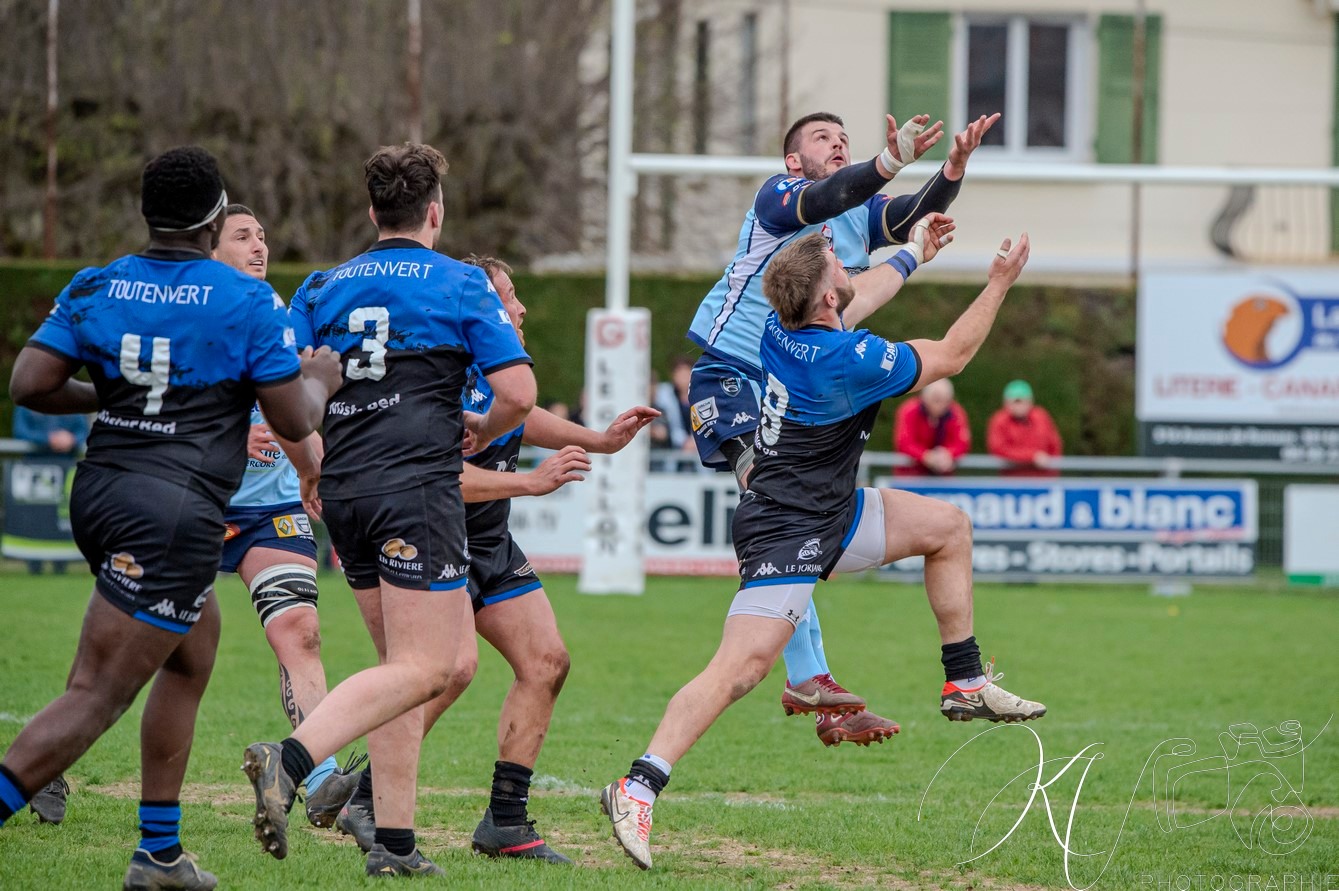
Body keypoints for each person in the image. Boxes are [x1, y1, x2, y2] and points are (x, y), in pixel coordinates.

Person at [601, 231, 1046, 870]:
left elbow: (860, 298)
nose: (847, 266)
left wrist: (914, 252)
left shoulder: (784, 329)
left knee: (948, 527)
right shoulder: (844, 357)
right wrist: (999, 280)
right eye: (839, 263)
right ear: (824, 293)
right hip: (786, 526)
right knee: (738, 672)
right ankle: (637, 786)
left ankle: (965, 681)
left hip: (832, 510)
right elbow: (952, 354)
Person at [1, 145, 340, 890]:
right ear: (216, 214)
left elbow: (30, 382)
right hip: (174, 510)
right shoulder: (243, 300)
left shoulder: (100, 282)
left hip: (101, 493)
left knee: (193, 648)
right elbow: (292, 416)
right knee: (98, 690)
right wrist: (318, 376)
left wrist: (111, 398)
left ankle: (159, 854)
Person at [243, 143, 536, 878]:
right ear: (434, 211)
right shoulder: (461, 283)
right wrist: (484, 426)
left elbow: (284, 400)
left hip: (345, 488)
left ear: (374, 212)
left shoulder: (320, 286)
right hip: (415, 488)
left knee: (403, 669)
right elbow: (522, 394)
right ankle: (291, 758)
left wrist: (311, 471)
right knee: (430, 664)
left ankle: (394, 845)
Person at [333, 254, 659, 864]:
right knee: (450, 668)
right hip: (436, 533)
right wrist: (532, 485)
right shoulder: (437, 371)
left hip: (488, 540)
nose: (521, 307)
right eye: (510, 295)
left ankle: (505, 821)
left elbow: (519, 417)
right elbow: (440, 478)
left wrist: (600, 440)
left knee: (547, 661)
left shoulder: (491, 369)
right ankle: (368, 796)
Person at [685, 108, 996, 745]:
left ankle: (818, 691)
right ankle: (815, 682)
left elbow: (907, 214)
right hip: (730, 376)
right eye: (823, 139)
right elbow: (837, 191)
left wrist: (953, 170)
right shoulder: (779, 198)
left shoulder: (852, 220)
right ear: (793, 161)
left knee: (789, 514)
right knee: (773, 504)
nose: (838, 145)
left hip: (790, 381)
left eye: (843, 139)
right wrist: (889, 159)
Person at [213, 204, 363, 827]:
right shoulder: (188, 306)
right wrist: (223, 440)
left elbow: (290, 403)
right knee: (143, 649)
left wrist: (312, 467)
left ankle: (320, 776)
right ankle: (43, 765)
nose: (259, 245)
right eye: (242, 236)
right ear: (208, 246)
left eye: (263, 236)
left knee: (298, 632)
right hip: (194, 499)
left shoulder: (273, 308)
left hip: (270, 505)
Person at [9, 406, 89, 575]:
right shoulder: (28, 401)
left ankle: (61, 563)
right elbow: (20, 431)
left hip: (66, 471)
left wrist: (72, 440)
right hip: (34, 473)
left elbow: (83, 432)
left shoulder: (72, 401)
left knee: (64, 516)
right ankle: (34, 563)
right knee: (35, 517)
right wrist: (48, 439)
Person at [893, 378, 970, 476]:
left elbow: (962, 442)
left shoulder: (956, 412)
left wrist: (948, 454)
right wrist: (925, 456)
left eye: (945, 400)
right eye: (936, 399)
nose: (941, 405)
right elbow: (904, 442)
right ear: (924, 397)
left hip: (943, 477)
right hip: (910, 476)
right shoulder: (909, 411)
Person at [986, 379, 1062, 476]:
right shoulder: (999, 421)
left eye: (1022, 401)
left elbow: (1054, 445)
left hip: (1042, 480)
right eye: (1016, 401)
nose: (1019, 406)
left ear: (1030, 401)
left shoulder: (1041, 417)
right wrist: (1032, 456)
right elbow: (999, 449)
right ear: (1006, 403)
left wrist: (1052, 473)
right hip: (1013, 482)